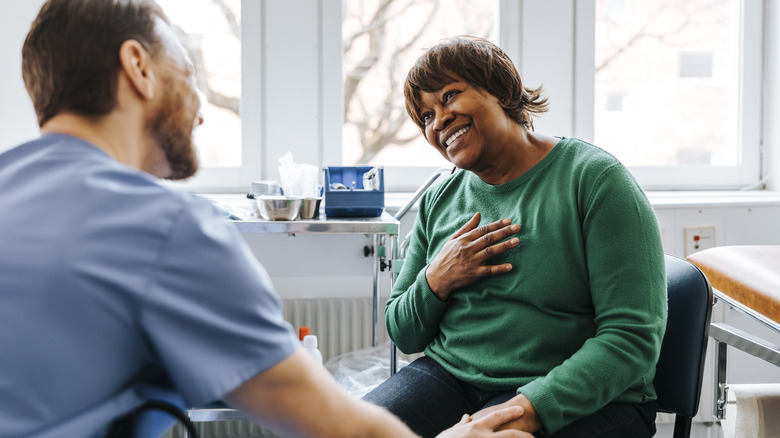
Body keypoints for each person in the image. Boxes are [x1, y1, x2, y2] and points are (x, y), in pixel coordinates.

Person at [0, 3, 532, 437]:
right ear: (138, 67)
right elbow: (341, 430)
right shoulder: (163, 227)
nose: (202, 110)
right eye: (189, 75)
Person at [362, 36, 667, 438]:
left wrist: (519, 412)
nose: (438, 121)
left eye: (450, 96)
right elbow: (404, 332)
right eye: (425, 117)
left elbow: (631, 340)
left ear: (500, 90)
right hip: (451, 377)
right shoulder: (440, 198)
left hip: (580, 395)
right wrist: (438, 277)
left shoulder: (594, 180)